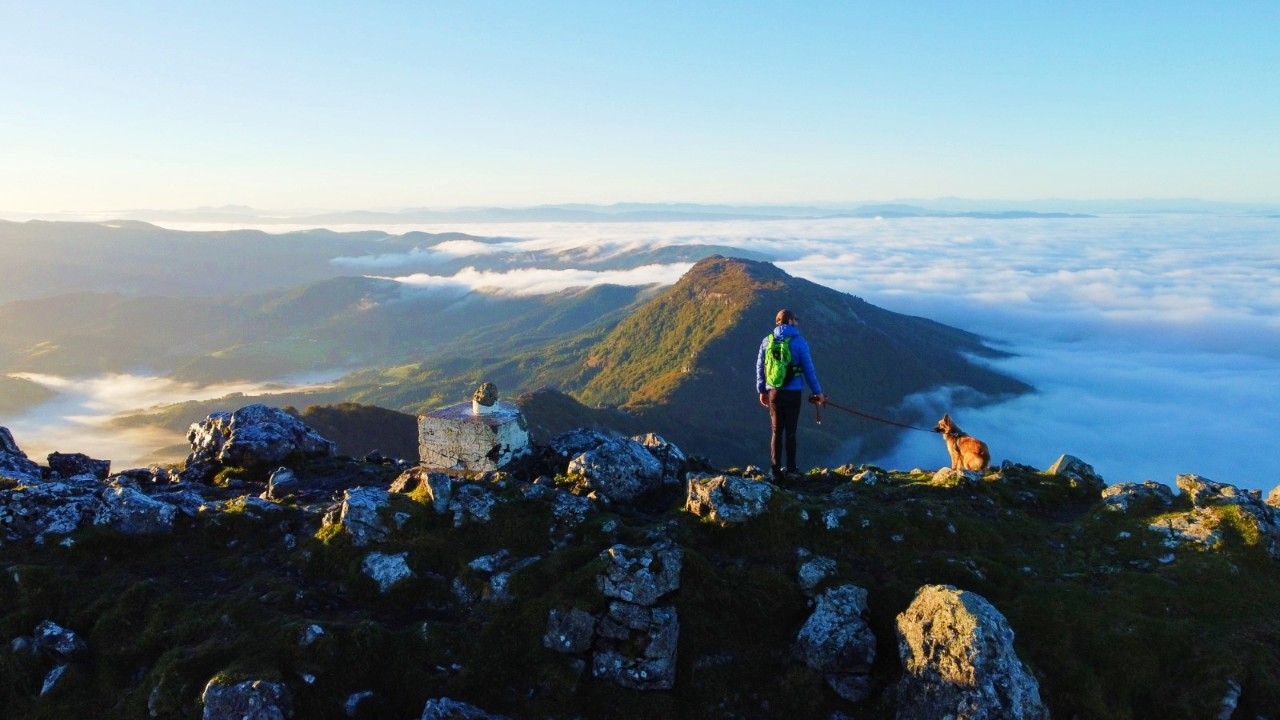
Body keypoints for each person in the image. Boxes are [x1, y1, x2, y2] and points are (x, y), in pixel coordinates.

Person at [756, 308, 826, 483]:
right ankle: (792, 469)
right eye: (795, 320)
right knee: (791, 431)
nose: (797, 323)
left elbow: (760, 367)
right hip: (793, 392)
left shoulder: (767, 341)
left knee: (776, 431)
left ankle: (775, 470)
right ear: (790, 322)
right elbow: (809, 370)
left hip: (773, 392)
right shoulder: (799, 341)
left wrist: (762, 390)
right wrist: (818, 392)